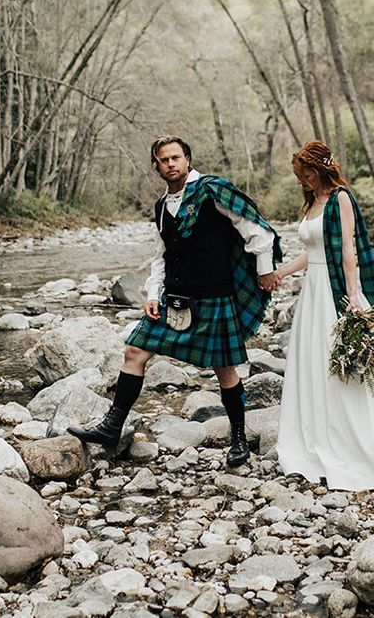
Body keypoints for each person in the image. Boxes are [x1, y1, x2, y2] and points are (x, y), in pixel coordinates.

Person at [68, 135, 282, 467]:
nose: (171, 164)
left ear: (187, 159)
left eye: (176, 158)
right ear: (157, 166)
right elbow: (161, 255)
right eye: (164, 160)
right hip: (175, 299)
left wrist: (265, 272)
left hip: (214, 296)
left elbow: (258, 231)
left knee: (224, 369)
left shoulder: (213, 190)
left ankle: (238, 438)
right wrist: (153, 295)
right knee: (134, 351)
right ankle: (111, 427)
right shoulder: (160, 207)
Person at [276, 141, 374, 490]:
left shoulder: (340, 198)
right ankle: (312, 439)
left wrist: (352, 296)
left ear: (321, 168)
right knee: (312, 365)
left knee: (341, 370)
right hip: (311, 293)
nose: (303, 180)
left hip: (334, 292)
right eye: (300, 175)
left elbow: (348, 250)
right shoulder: (312, 202)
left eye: (308, 173)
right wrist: (280, 273)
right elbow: (311, 252)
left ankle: (352, 445)